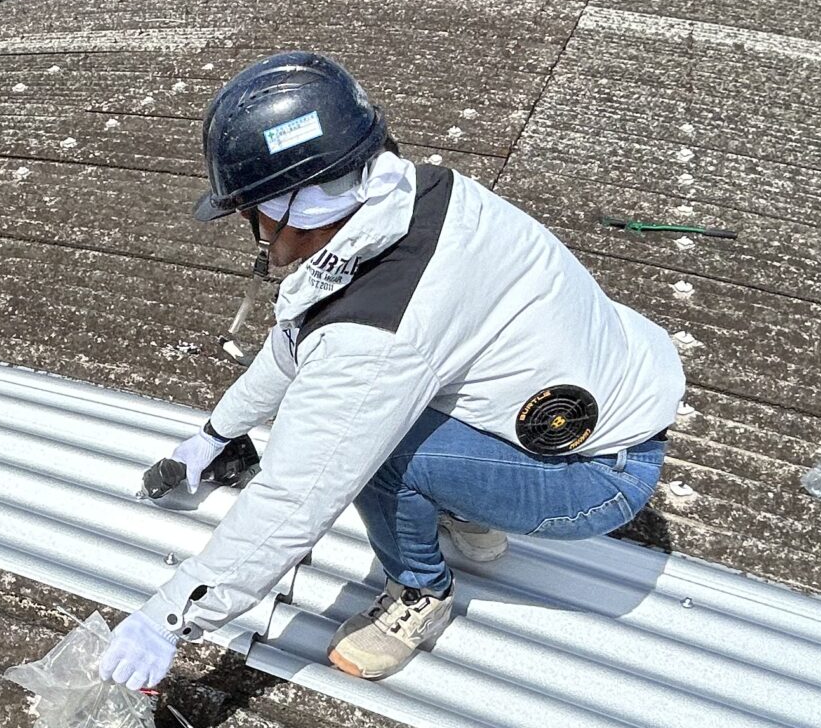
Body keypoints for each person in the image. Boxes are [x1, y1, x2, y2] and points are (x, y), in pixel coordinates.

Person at [99, 51, 684, 688]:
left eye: (251, 209)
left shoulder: (381, 335)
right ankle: (471, 510)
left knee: (376, 448)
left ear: (297, 201)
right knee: (376, 414)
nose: (249, 224)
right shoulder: (407, 198)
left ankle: (420, 591)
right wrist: (215, 435)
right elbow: (301, 343)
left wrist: (168, 618)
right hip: (591, 401)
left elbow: (301, 493)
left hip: (593, 475)